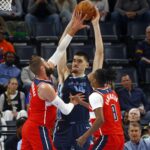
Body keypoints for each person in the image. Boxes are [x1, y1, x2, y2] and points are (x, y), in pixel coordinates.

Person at [21, 11, 88, 150]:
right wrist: (73, 102)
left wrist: (73, 28)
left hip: (30, 127)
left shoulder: (42, 75)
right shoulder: (45, 88)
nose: (49, 62)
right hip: (38, 128)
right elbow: (65, 109)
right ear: (41, 67)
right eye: (46, 61)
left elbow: (60, 49)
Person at [53, 7, 104, 150]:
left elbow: (99, 53)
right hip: (63, 126)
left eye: (79, 61)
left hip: (83, 126)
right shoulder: (64, 74)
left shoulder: (91, 79)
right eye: (74, 60)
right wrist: (72, 23)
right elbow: (61, 48)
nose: (75, 63)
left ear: (87, 64)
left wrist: (95, 24)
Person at [76, 68, 124, 150]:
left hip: (107, 137)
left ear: (94, 80)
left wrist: (84, 137)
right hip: (119, 136)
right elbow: (99, 108)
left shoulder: (95, 95)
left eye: (92, 74)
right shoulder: (112, 92)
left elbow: (100, 119)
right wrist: (80, 102)